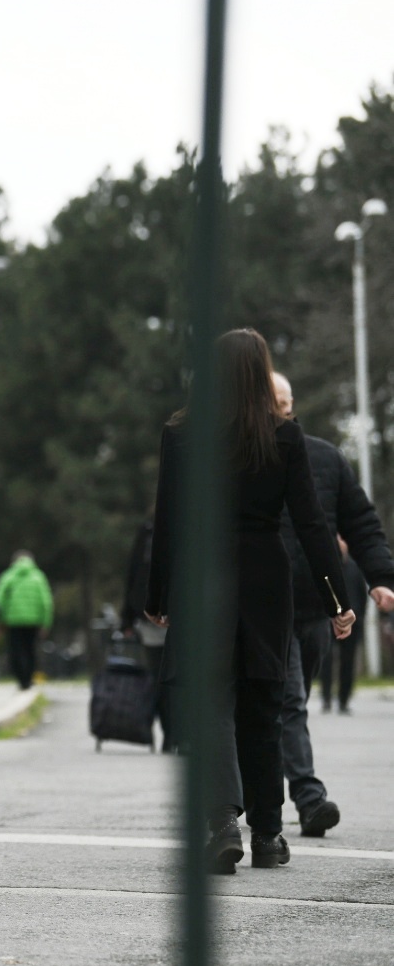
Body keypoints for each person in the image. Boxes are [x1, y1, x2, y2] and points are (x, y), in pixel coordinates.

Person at [146, 330, 353, 875]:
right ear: (262, 374)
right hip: (265, 578)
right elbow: (312, 524)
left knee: (212, 704)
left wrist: (157, 595)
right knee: (264, 707)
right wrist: (338, 598)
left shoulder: (183, 434)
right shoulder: (283, 437)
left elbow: (167, 520)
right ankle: (268, 834)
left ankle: (220, 822)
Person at [271, 371, 394, 836]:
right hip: (269, 605)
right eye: (271, 403)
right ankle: (308, 797)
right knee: (290, 702)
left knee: (282, 702)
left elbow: (360, 521)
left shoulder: (323, 457)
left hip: (316, 607)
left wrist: (380, 577)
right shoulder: (247, 459)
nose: (280, 410)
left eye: (285, 403)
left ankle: (247, 785)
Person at [120, 520, 172, 750]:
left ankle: (170, 732)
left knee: (160, 677)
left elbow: (134, 574)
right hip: (179, 618)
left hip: (151, 616)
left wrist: (128, 618)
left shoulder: (149, 532)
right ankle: (177, 732)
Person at [319, 540, 368, 714]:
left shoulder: (355, 568)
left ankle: (344, 700)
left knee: (348, 662)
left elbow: (362, 596)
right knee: (327, 661)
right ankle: (326, 698)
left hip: (352, 622)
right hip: (329, 619)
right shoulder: (326, 568)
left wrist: (360, 618)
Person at [0, 551, 53, 690]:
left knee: (16, 650)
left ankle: (21, 679)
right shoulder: (38, 577)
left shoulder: (8, 576)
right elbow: (46, 602)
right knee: (30, 650)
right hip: (33, 621)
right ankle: (28, 678)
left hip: (13, 620)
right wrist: (46, 623)